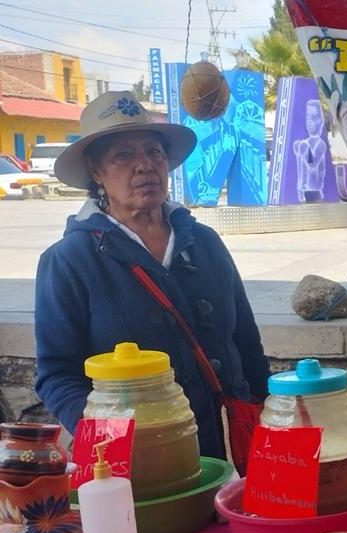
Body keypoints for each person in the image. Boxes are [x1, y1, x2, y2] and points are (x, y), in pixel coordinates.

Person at [34, 91, 270, 461]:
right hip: (145, 459)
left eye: (154, 152)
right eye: (123, 155)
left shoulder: (204, 243)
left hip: (232, 447)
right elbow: (57, 375)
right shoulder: (70, 260)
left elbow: (247, 345)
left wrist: (270, 422)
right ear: (96, 171)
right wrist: (110, 442)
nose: (145, 166)